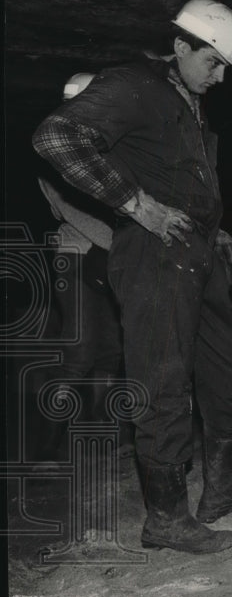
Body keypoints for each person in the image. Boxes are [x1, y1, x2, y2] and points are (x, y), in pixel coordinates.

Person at [32, 0, 232, 554]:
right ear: (181, 45)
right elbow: (55, 139)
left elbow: (185, 175)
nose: (218, 76)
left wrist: (217, 229)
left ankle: (222, 491)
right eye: (212, 62)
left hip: (197, 250)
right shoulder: (133, 85)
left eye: (224, 68)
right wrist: (137, 206)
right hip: (155, 251)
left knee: (230, 371)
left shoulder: (187, 101)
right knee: (163, 382)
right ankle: (165, 520)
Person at [28, 73, 133, 465]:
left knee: (111, 351)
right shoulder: (54, 152)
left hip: (106, 260)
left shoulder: (106, 152)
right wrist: (129, 242)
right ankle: (45, 447)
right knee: (80, 354)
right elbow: (76, 211)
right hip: (73, 259)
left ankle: (103, 430)